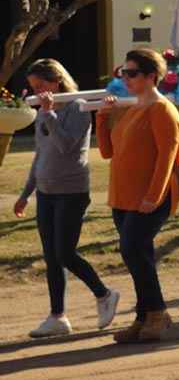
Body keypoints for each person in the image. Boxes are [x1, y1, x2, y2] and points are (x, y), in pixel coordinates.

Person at [16, 59, 118, 338]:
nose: (37, 92)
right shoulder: (42, 114)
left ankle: (105, 294)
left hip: (71, 192)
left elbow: (65, 146)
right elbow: (41, 156)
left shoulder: (79, 108)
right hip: (46, 192)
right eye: (33, 88)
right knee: (52, 257)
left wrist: (49, 114)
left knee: (65, 252)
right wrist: (26, 194)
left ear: (56, 82)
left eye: (40, 86)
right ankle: (57, 316)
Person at [96, 48, 179, 343]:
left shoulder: (162, 109)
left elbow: (167, 157)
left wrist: (153, 196)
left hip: (150, 197)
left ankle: (158, 313)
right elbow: (108, 152)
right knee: (139, 255)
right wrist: (102, 119)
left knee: (132, 250)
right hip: (123, 197)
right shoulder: (131, 108)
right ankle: (144, 316)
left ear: (151, 76)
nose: (126, 78)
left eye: (132, 73)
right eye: (124, 72)